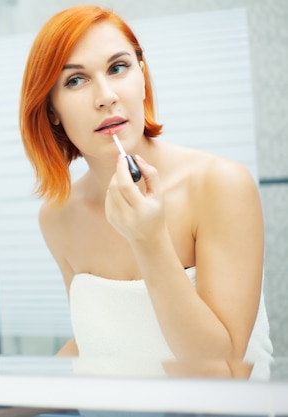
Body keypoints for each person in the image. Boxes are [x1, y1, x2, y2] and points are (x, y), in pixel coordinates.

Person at [19, 5, 272, 379]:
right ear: (52, 109)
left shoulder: (220, 185)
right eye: (75, 80)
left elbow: (221, 373)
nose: (105, 96)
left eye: (118, 68)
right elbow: (101, 341)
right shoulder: (57, 216)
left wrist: (149, 240)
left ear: (142, 75)